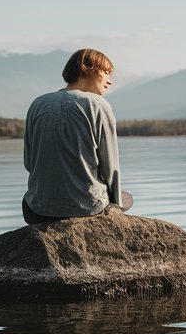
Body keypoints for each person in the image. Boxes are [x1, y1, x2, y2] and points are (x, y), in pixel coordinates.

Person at [22, 48, 133, 225]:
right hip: (87, 209)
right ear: (86, 68)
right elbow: (110, 169)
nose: (109, 81)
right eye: (105, 72)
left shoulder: (37, 104)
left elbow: (29, 162)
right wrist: (115, 208)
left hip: (38, 211)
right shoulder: (98, 105)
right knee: (127, 199)